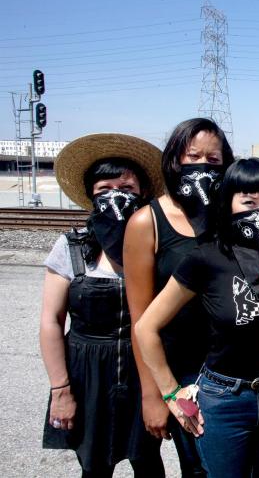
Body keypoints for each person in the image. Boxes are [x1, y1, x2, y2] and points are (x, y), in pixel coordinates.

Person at [136, 158, 259, 478]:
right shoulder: (206, 258)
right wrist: (170, 393)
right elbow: (146, 327)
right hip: (225, 401)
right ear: (228, 204)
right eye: (249, 202)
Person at [41, 133, 165, 477]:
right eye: (104, 190)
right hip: (87, 372)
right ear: (91, 197)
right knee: (94, 464)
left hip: (145, 371)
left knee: (147, 461)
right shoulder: (72, 247)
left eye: (126, 188)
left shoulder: (159, 246)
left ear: (142, 193)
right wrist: (60, 389)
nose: (117, 197)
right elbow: (51, 321)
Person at [125, 118, 234, 476]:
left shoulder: (229, 217)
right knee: (195, 462)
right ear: (175, 160)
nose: (203, 165)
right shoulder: (147, 222)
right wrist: (154, 395)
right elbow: (140, 317)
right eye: (193, 157)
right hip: (178, 372)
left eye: (214, 160)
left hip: (226, 366)